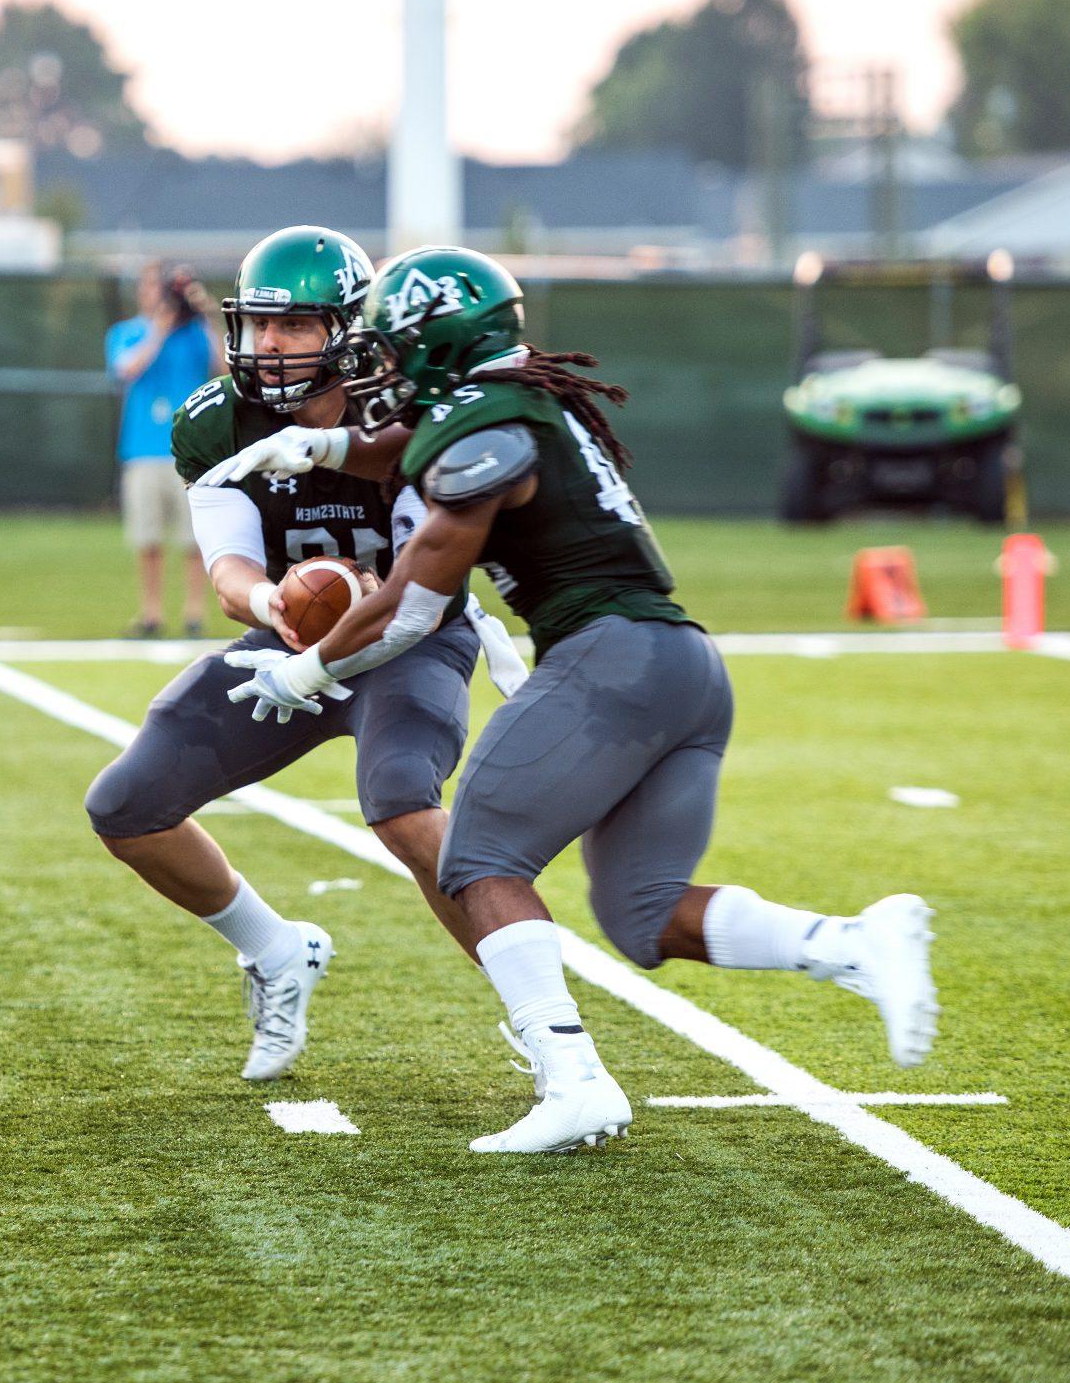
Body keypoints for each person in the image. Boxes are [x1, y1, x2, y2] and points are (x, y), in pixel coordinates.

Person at [207, 247, 940, 1154]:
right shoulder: (509, 404)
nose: (379, 369)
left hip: (611, 657)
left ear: (437, 345)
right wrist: (321, 445)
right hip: (681, 667)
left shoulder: (484, 425)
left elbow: (413, 604)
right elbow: (418, 446)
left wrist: (306, 670)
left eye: (394, 349)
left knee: (475, 855)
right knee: (644, 912)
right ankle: (853, 942)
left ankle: (575, 1082)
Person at [88, 226, 516, 1083]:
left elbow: (414, 588)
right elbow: (230, 565)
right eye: (258, 326)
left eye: (295, 328)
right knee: (127, 803)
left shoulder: (406, 411)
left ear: (348, 330)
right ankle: (277, 951)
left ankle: (539, 1017)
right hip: (294, 640)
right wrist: (271, 602)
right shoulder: (220, 421)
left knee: (402, 801)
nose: (268, 346)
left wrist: (341, 614)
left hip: (413, 640)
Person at [104, 260, 220, 636]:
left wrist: (207, 315)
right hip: (142, 449)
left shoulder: (197, 333)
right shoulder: (127, 332)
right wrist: (159, 328)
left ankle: (194, 613)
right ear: (143, 290)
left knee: (194, 540)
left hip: (190, 452)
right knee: (148, 539)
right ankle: (151, 613)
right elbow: (128, 369)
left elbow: (226, 369)